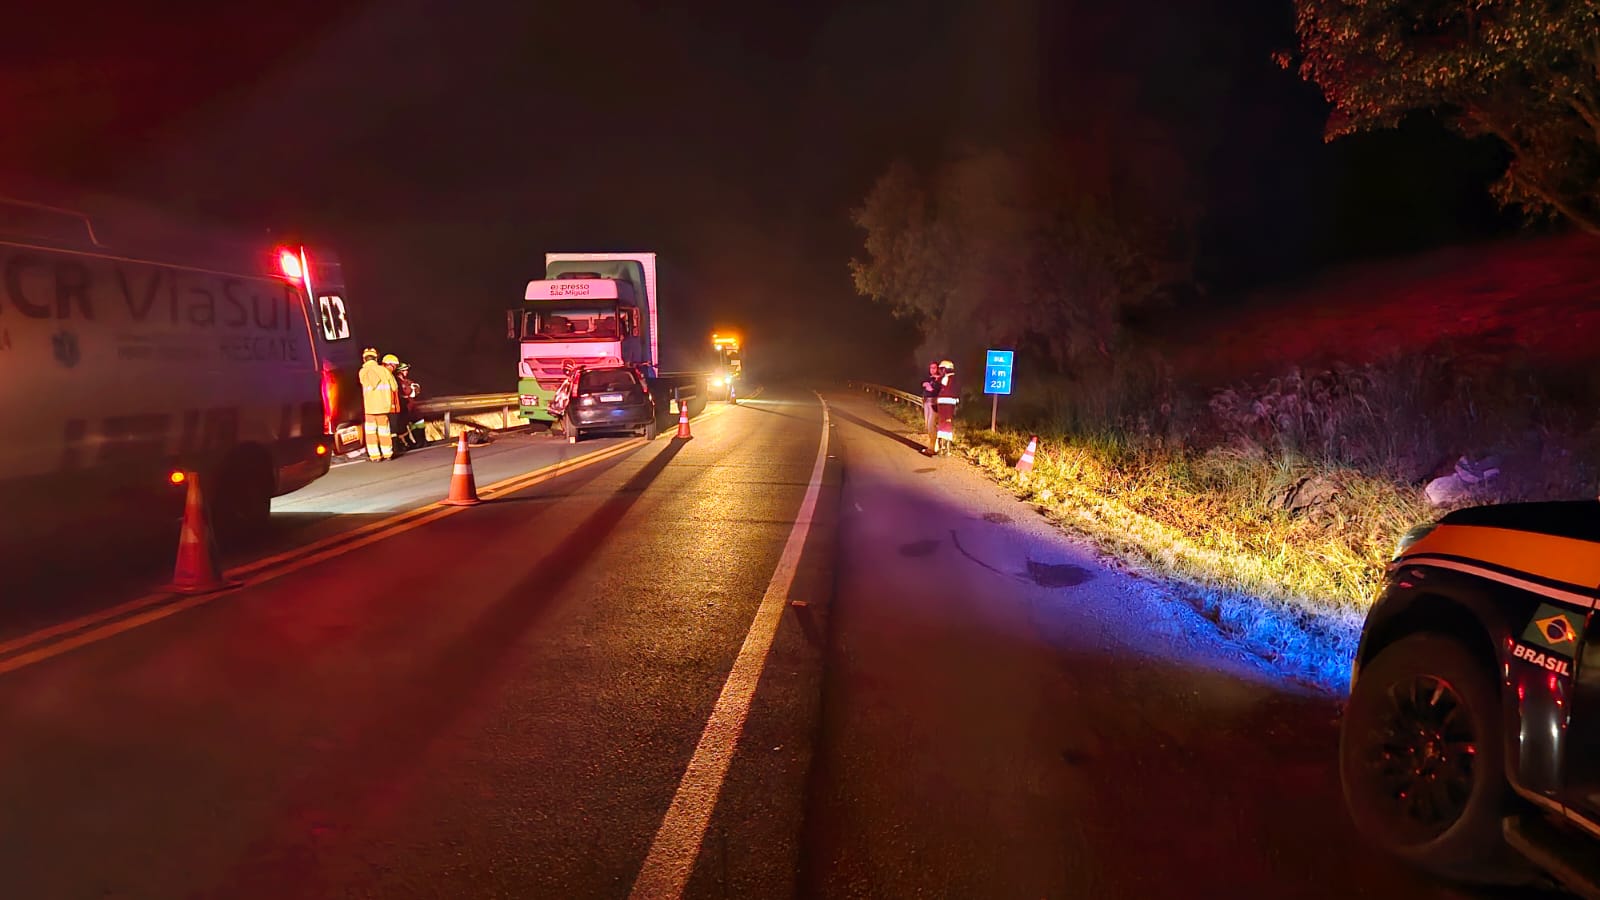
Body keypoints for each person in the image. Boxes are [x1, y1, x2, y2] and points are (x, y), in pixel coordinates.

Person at [359, 347, 400, 461]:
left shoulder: (362, 372)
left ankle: (375, 456)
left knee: (370, 432)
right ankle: (387, 454)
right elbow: (394, 387)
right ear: (376, 358)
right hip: (383, 407)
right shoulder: (384, 371)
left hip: (369, 408)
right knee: (384, 431)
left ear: (364, 359)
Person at [933, 359, 959, 456]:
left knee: (942, 424)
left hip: (944, 404)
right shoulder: (955, 379)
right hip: (951, 404)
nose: (940, 371)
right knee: (948, 424)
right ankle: (947, 449)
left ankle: (942, 447)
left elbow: (939, 388)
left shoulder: (945, 378)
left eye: (941, 369)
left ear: (945, 369)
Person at [920, 361, 941, 454]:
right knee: (927, 425)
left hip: (933, 402)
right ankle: (933, 445)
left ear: (938, 369)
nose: (932, 370)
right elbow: (922, 384)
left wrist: (930, 388)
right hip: (926, 402)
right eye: (931, 368)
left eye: (934, 368)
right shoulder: (929, 378)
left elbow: (937, 391)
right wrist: (925, 384)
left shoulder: (939, 379)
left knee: (931, 425)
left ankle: (932, 448)